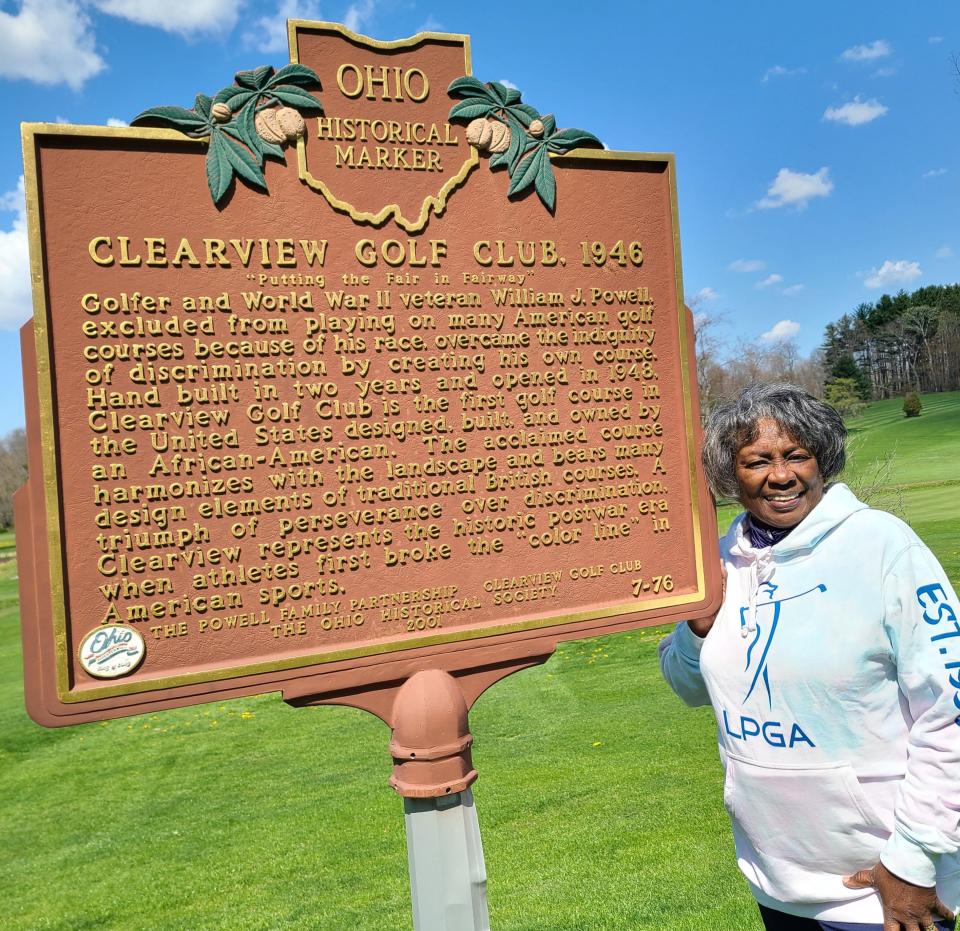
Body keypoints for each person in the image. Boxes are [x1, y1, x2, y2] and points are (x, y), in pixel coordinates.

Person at [659, 383, 960, 931]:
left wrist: (915, 858)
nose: (780, 475)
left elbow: (951, 712)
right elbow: (687, 688)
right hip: (776, 882)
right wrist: (698, 630)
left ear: (822, 461)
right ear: (732, 474)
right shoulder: (722, 559)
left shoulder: (883, 546)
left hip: (882, 886)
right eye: (756, 461)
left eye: (796, 455)